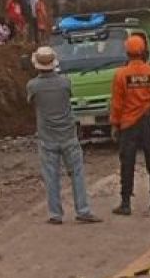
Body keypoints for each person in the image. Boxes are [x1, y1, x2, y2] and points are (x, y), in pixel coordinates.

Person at [27, 46, 102, 225]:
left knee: (51, 176)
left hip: (47, 137)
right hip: (68, 134)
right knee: (77, 173)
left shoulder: (33, 86)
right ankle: (83, 210)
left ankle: (55, 214)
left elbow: (31, 101)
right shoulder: (65, 82)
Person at [110, 35, 150, 216]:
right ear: (143, 52)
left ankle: (125, 203)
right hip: (147, 122)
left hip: (128, 124)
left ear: (127, 53)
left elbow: (117, 103)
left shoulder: (120, 74)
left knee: (127, 163)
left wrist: (115, 124)